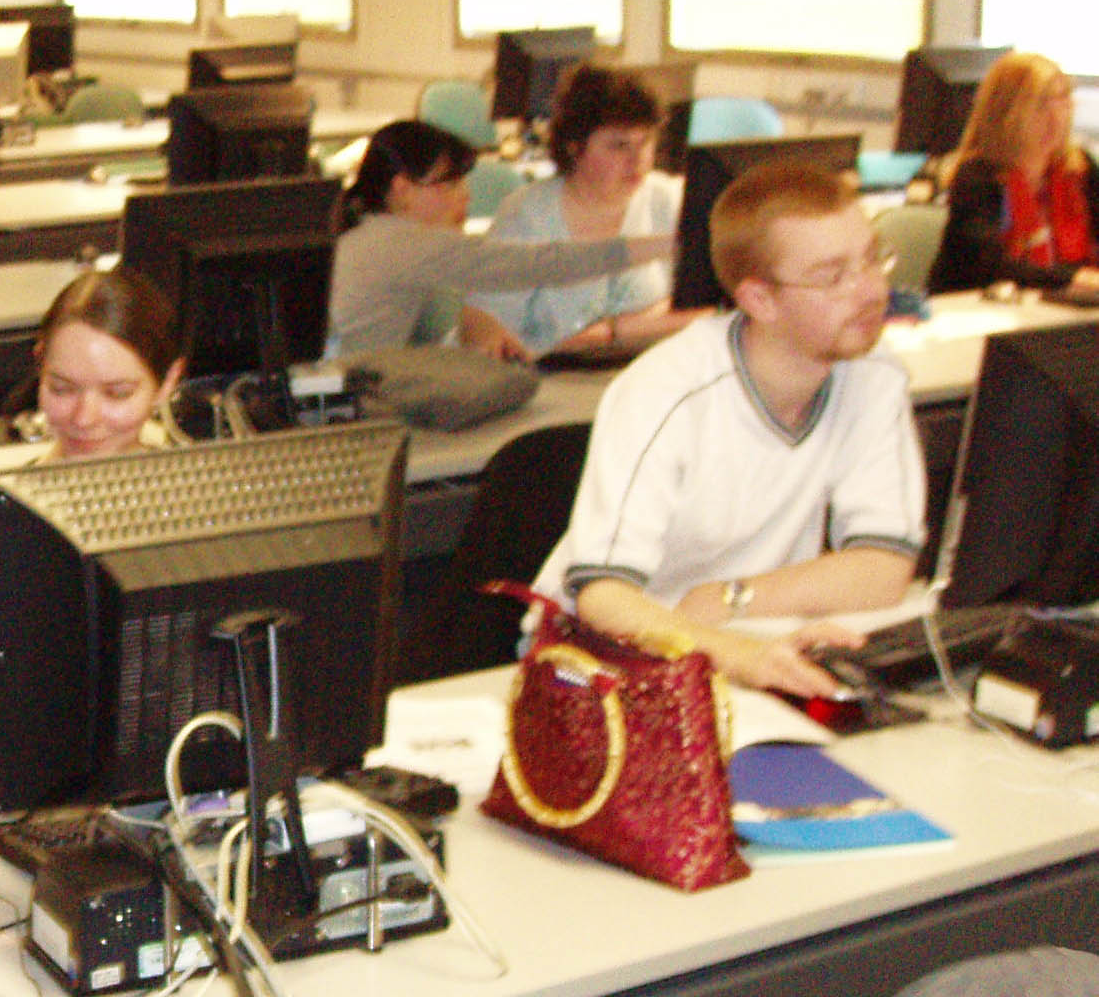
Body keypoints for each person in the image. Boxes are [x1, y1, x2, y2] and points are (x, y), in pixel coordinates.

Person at [533, 161, 926, 698]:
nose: (872, 290)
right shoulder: (667, 392)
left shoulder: (873, 375)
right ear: (759, 300)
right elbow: (602, 597)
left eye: (872, 259)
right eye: (833, 276)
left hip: (747, 643)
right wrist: (734, 650)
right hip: (597, 665)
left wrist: (730, 601)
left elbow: (884, 568)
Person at [0, 269, 186, 778]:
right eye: (62, 388)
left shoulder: (198, 508)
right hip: (38, 791)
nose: (84, 417)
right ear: (39, 366)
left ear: (167, 383)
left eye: (117, 393)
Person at [329, 120, 673, 360]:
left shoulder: (365, 230)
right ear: (401, 189)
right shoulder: (407, 245)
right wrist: (667, 244)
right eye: (449, 184)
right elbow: (542, 265)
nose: (465, 195)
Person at [469, 66, 702, 355]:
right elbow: (484, 320)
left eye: (645, 143)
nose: (637, 159)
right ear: (574, 147)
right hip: (543, 371)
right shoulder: (528, 215)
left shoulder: (671, 200)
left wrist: (618, 330)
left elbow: (707, 308)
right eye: (619, 146)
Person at [927, 51, 1099, 298]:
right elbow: (992, 266)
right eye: (1040, 104)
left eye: (1062, 100)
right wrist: (1074, 278)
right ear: (1006, 112)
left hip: (1067, 306)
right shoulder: (978, 177)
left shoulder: (1079, 169)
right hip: (981, 309)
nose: (1055, 118)